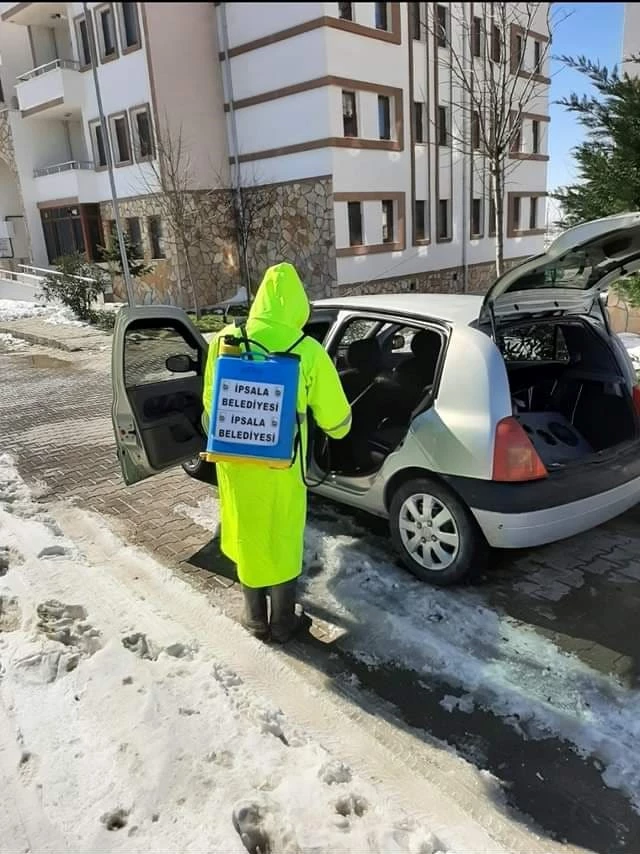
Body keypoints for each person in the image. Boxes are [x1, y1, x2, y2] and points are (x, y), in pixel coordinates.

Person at [202, 262, 351, 643]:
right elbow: (337, 419)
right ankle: (283, 621)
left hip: (235, 461)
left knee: (247, 531)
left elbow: (209, 407)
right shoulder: (307, 350)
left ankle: (255, 618)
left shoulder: (224, 340)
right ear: (298, 306)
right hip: (282, 465)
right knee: (281, 534)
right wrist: (338, 430)